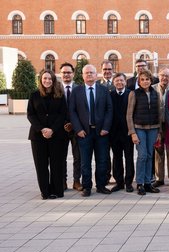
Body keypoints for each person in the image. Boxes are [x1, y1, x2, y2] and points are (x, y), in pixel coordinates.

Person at [69, 64, 113, 197]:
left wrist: (106, 127)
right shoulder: (76, 91)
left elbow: (109, 109)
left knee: (102, 160)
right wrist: (78, 129)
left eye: (91, 73)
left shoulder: (103, 90)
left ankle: (101, 186)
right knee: (85, 162)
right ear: (82, 75)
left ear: (96, 75)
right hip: (84, 133)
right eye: (86, 73)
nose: (89, 75)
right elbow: (72, 111)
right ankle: (87, 187)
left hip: (101, 133)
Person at [27, 70, 68, 200]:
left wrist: (52, 130)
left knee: (57, 164)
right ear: (41, 80)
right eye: (45, 78)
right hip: (38, 136)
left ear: (53, 80)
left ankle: (56, 190)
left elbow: (63, 114)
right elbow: (30, 114)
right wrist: (42, 129)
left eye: (50, 79)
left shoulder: (60, 95)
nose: (47, 81)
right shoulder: (34, 95)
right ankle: (45, 191)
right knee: (41, 165)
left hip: (57, 135)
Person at [126, 70, 161, 196]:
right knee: (142, 156)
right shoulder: (133, 94)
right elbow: (129, 115)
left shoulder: (155, 93)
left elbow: (159, 112)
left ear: (151, 80)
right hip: (139, 128)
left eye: (147, 79)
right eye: (142, 79)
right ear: (139, 82)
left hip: (153, 128)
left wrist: (159, 131)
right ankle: (140, 183)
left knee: (150, 155)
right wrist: (132, 133)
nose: (145, 81)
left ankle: (147, 183)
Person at [109, 73, 134, 193]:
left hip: (127, 132)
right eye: (117, 81)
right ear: (114, 82)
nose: (119, 83)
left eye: (121, 80)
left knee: (129, 157)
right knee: (117, 158)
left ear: (125, 82)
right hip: (114, 133)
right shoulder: (110, 95)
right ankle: (119, 182)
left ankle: (128, 182)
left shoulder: (131, 94)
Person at [152, 68, 169, 187]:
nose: (164, 78)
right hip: (157, 124)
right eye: (162, 75)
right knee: (158, 150)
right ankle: (159, 178)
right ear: (158, 75)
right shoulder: (152, 88)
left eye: (167, 76)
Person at [59, 62, 82, 191]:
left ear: (73, 74)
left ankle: (76, 181)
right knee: (61, 156)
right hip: (60, 129)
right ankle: (62, 181)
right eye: (64, 72)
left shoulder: (79, 89)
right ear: (60, 74)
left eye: (69, 72)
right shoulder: (55, 89)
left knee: (77, 156)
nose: (66, 74)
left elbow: (83, 110)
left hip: (76, 128)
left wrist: (74, 124)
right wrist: (63, 124)